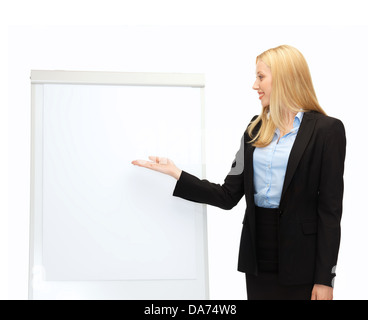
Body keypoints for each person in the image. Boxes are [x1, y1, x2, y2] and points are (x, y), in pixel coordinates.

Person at [132, 45, 346, 300]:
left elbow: (330, 211)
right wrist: (177, 173)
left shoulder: (327, 130)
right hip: (258, 258)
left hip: (303, 262)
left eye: (260, 77)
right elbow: (227, 195)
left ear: (285, 77)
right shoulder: (254, 131)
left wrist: (325, 279)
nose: (255, 85)